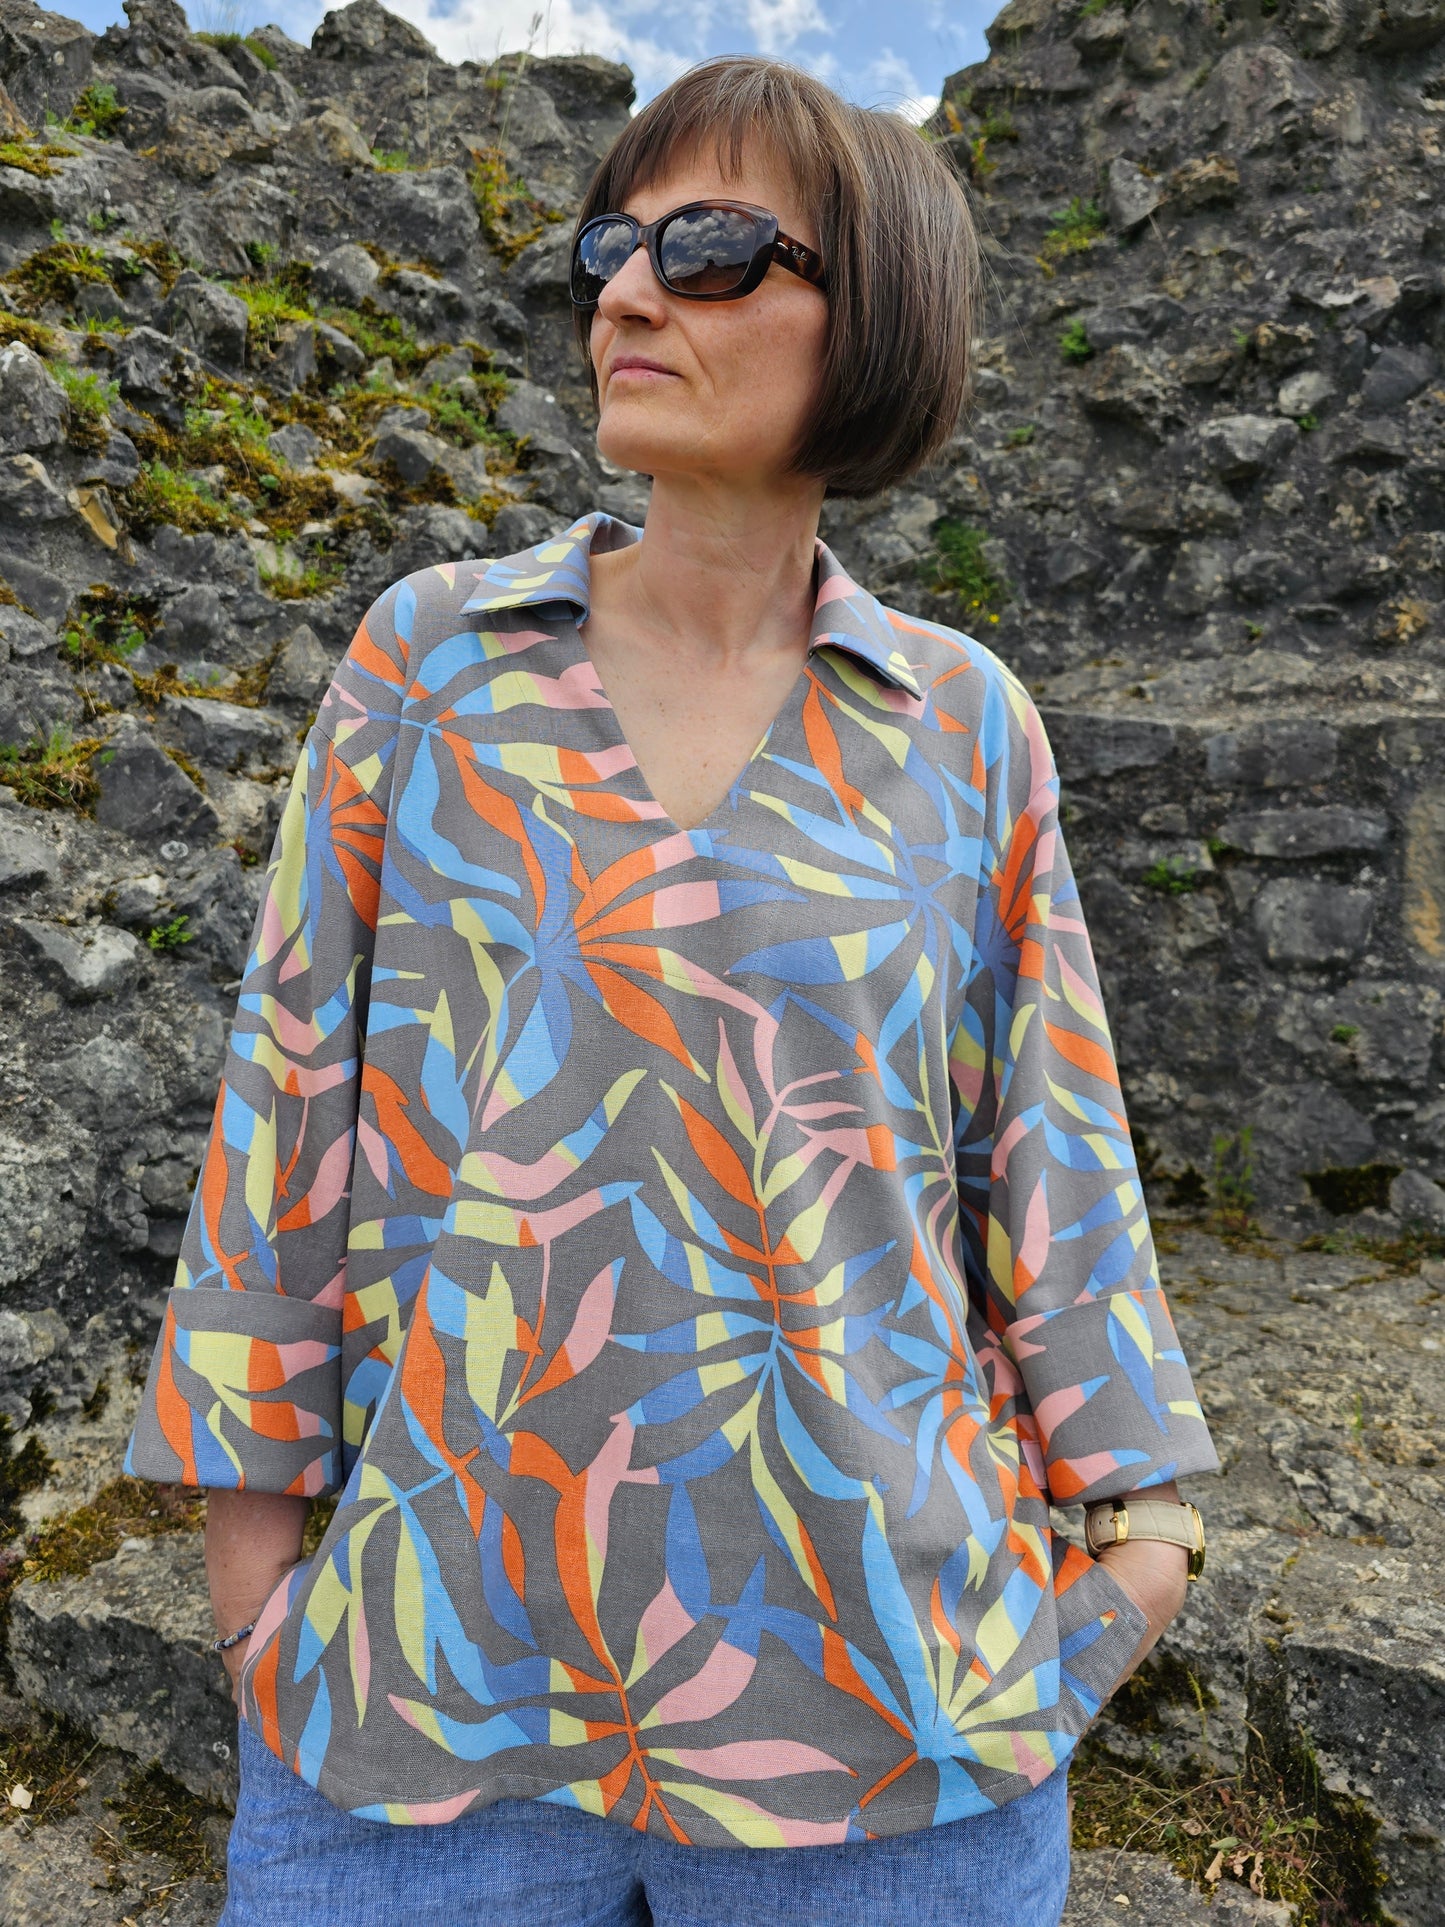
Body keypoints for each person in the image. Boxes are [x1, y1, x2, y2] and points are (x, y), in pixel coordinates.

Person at [125, 54, 1218, 1927]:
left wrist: (1143, 1552)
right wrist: (255, 1605)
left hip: (897, 1717)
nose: (627, 294)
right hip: (422, 1703)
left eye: (709, 249)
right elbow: (282, 1122)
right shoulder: (432, 665)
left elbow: (1055, 1169)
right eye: (608, 250)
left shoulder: (962, 726)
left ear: (876, 309)